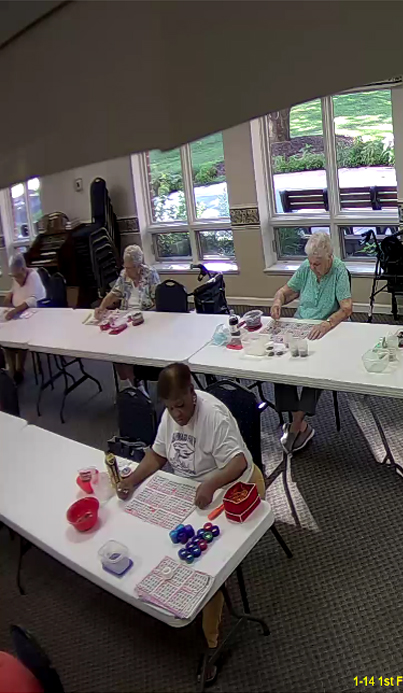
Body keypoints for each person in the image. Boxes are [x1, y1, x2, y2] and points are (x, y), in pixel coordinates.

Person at [115, 362, 263, 685]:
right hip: (192, 489)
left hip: (235, 485)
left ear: (192, 394)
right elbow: (158, 455)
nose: (177, 414)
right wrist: (132, 478)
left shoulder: (213, 416)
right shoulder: (171, 414)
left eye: (181, 406)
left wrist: (211, 483)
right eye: (170, 408)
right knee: (157, 535)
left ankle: (211, 643)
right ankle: (165, 600)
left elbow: (238, 463)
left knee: (210, 563)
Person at [269, 232, 352, 453]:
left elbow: (346, 308)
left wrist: (326, 323)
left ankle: (296, 424)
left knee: (316, 368)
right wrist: (278, 301)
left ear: (329, 257)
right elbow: (287, 291)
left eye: (317, 263)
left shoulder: (339, 271)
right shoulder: (307, 266)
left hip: (328, 328)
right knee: (280, 364)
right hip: (302, 324)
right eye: (311, 263)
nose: (313, 267)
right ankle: (300, 423)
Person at [94, 244, 160, 390]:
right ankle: (128, 383)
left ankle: (137, 383)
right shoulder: (124, 275)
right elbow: (113, 294)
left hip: (145, 317)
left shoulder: (150, 274)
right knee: (114, 348)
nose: (126, 270)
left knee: (128, 349)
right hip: (126, 316)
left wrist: (147, 316)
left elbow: (158, 301)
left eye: (129, 267)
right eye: (125, 266)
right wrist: (101, 307)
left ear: (138, 266)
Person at [2, 252, 46, 384]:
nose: (16, 279)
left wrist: (15, 309)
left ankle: (19, 370)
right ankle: (12, 371)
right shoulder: (17, 277)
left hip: (35, 314)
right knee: (6, 338)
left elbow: (32, 300)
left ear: (23, 269)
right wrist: (9, 295)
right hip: (18, 314)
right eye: (13, 277)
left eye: (17, 276)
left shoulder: (33, 277)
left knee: (20, 337)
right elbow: (13, 289)